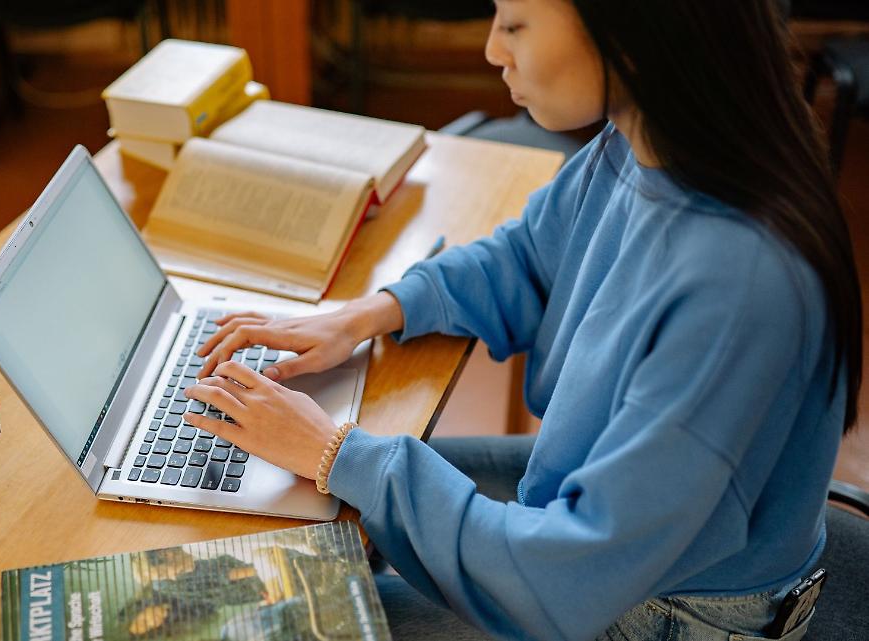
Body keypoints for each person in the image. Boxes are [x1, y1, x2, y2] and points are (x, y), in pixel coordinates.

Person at [182, 0, 862, 639]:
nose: (490, 50)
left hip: (656, 610)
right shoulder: (650, 140)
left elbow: (567, 578)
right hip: (597, 535)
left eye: (515, 25)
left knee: (279, 611)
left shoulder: (738, 285)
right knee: (316, 510)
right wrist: (369, 314)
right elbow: (532, 257)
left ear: (626, 32)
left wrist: (334, 453)